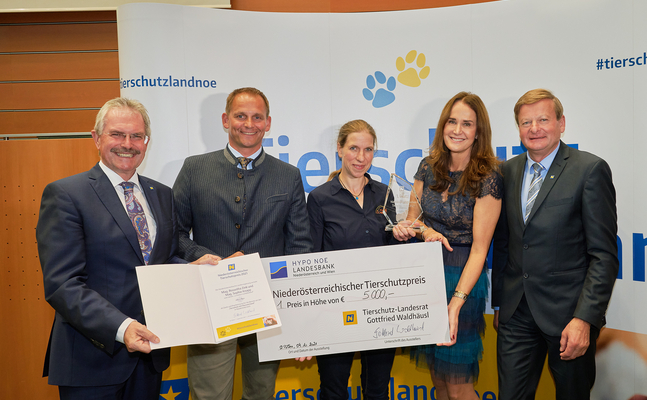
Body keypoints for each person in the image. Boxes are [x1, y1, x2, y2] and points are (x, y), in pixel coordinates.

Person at [36, 98, 216, 400]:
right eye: (117, 134)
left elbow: (161, 260)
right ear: (96, 138)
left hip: (150, 356)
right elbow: (63, 284)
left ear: (146, 142)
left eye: (136, 136)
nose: (127, 144)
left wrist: (192, 270)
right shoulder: (66, 194)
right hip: (91, 359)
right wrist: (123, 327)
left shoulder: (161, 194)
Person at [173, 87, 313, 400]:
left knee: (261, 393)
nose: (248, 123)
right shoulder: (194, 169)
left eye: (257, 117)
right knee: (209, 395)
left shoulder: (288, 175)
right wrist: (207, 257)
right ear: (225, 120)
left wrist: (300, 314)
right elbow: (174, 235)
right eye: (240, 116)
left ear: (268, 123)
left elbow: (300, 245)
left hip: (269, 307)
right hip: (209, 302)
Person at [492, 88, 618, 400]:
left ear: (562, 123)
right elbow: (504, 243)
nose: (534, 128)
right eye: (525, 122)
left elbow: (603, 255)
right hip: (515, 314)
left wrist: (584, 319)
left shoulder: (589, 170)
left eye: (543, 119)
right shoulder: (506, 172)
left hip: (568, 316)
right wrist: (499, 304)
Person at [393, 92, 502, 400]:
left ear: (478, 132)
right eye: (452, 121)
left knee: (458, 384)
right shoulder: (428, 167)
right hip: (426, 277)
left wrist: (455, 304)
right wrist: (418, 230)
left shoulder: (488, 176)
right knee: (438, 379)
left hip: (462, 277)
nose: (457, 129)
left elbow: (480, 249)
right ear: (442, 126)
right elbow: (414, 221)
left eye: (467, 124)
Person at [307, 119, 397, 400]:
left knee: (378, 390)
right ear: (339, 149)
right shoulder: (320, 198)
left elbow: (396, 251)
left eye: (368, 149)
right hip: (335, 310)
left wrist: (405, 235)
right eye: (354, 148)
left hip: (381, 306)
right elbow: (311, 259)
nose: (361, 157)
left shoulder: (385, 193)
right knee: (333, 390)